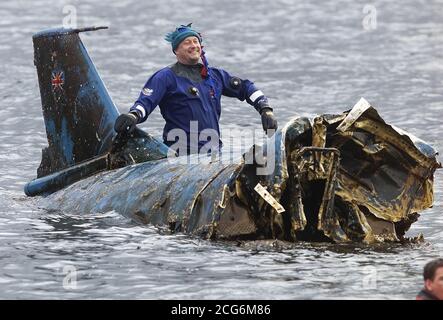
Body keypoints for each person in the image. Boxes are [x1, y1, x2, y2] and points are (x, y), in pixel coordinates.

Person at [114, 23, 277, 155]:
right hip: (180, 156)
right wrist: (133, 115)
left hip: (214, 154)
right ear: (176, 50)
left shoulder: (215, 76)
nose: (193, 45)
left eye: (195, 41)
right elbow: (145, 103)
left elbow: (247, 88)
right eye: (187, 42)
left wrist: (265, 109)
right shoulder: (165, 77)